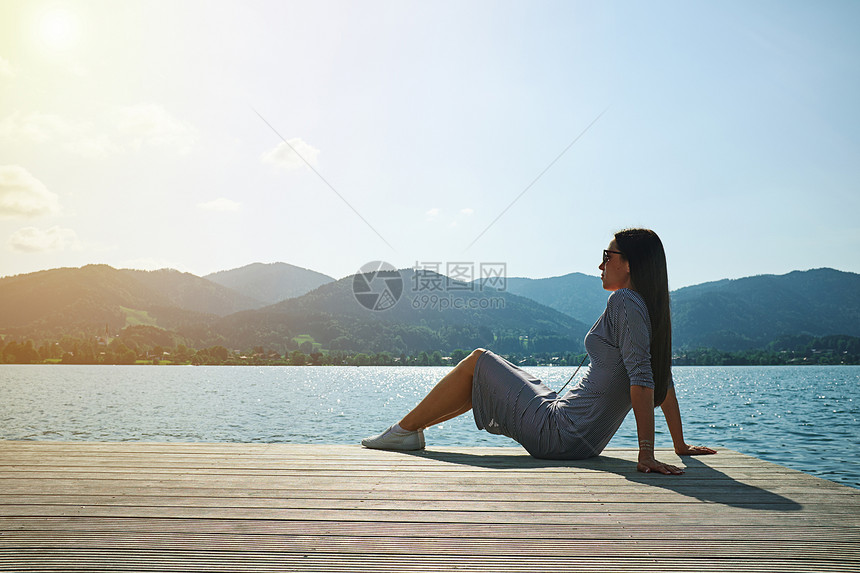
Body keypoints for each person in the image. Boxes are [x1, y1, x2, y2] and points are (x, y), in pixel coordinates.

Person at [362, 228, 716, 474]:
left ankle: (402, 430)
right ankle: (411, 432)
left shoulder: (624, 301)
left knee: (479, 360)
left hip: (560, 433)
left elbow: (643, 380)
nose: (600, 264)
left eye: (607, 256)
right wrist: (680, 445)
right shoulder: (647, 308)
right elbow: (660, 378)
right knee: (492, 374)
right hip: (576, 435)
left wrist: (646, 452)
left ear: (629, 264)